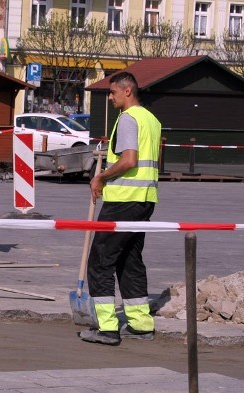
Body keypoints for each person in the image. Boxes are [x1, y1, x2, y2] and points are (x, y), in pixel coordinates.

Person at [79, 71, 161, 346]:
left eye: (113, 92)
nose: (110, 97)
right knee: (130, 260)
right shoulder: (151, 119)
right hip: (145, 199)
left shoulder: (128, 119)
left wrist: (101, 177)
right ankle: (140, 323)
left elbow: (129, 160)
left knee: (101, 261)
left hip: (123, 201)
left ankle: (107, 328)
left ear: (128, 91)